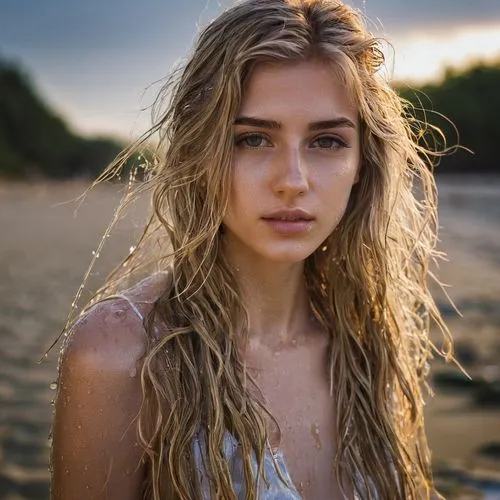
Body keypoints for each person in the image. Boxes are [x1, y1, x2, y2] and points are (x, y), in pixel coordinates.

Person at [50, 0, 452, 498]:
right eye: (254, 139)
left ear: (362, 164)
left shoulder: (366, 340)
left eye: (327, 141)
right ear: (201, 152)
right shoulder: (121, 353)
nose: (293, 181)